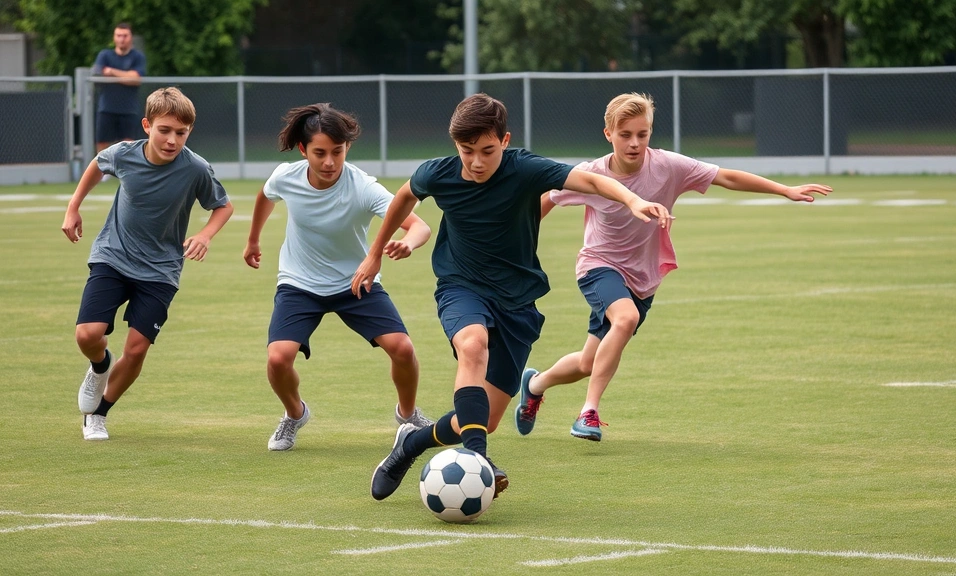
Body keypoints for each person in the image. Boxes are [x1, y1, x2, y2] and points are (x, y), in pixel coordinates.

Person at [351, 93, 673, 501]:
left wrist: (633, 199)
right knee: (473, 344)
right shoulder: (439, 174)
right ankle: (479, 463)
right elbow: (404, 197)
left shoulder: (526, 169)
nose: (477, 162)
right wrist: (374, 254)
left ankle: (411, 444)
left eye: (487, 150)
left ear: (504, 141)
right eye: (467, 152)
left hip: (517, 303)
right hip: (461, 286)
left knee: (484, 419)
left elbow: (589, 179)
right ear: (456, 146)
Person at [515, 92, 832, 442]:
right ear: (608, 134)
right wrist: (518, 244)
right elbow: (546, 198)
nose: (635, 143)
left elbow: (726, 177)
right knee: (626, 319)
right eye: (625, 135)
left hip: (643, 279)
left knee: (589, 361)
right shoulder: (592, 175)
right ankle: (588, 412)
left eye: (642, 134)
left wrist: (784, 189)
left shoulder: (668, 166)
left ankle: (535, 383)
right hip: (598, 266)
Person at [243, 103, 435, 452]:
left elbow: (419, 225)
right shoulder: (286, 176)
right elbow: (265, 196)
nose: (329, 162)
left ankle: (407, 415)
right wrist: (254, 239)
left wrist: (408, 243)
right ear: (304, 150)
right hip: (299, 283)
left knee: (403, 349)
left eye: (338, 152)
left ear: (347, 148)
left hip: (355, 282)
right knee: (277, 359)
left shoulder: (362, 187)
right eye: (320, 153)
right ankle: (294, 414)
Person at [62, 87, 233, 441]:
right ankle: (99, 366)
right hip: (114, 255)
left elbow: (223, 206)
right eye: (164, 130)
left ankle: (98, 415)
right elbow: (97, 164)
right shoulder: (124, 155)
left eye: (181, 133)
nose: (172, 140)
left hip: (160, 271)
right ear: (147, 126)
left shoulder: (196, 168)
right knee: (87, 334)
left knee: (137, 349)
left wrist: (204, 235)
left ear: (189, 132)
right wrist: (73, 206)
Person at [92, 22, 147, 153]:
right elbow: (98, 75)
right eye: (118, 35)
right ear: (114, 37)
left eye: (125, 36)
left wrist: (111, 72)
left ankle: (127, 172)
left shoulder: (138, 57)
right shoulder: (104, 55)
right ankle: (104, 173)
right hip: (106, 108)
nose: (122, 39)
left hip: (129, 109)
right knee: (102, 144)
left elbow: (135, 79)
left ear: (131, 37)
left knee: (130, 146)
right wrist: (125, 76)